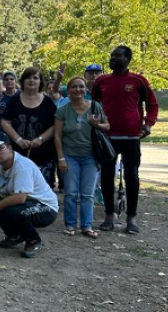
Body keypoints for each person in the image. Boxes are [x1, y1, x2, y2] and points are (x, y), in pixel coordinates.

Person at [92, 45, 159, 234]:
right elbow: (95, 104)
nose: (113, 58)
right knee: (106, 177)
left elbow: (152, 104)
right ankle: (109, 216)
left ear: (128, 59)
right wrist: (97, 123)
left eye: (118, 56)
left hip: (131, 137)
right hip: (107, 137)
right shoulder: (101, 81)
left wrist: (148, 124)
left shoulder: (138, 81)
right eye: (112, 55)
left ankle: (131, 218)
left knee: (132, 177)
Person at [0, 132, 58, 258]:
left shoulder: (21, 166)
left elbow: (20, 198)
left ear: (9, 148)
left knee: (12, 210)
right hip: (24, 204)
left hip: (45, 208)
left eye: (0, 148)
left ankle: (33, 240)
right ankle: (14, 235)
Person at [54, 76, 110, 239]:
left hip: (90, 156)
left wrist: (96, 124)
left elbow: (107, 126)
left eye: (81, 87)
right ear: (68, 90)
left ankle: (87, 226)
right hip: (70, 156)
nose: (77, 90)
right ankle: (70, 225)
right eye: (74, 87)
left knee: (87, 193)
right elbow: (57, 136)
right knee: (71, 192)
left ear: (86, 89)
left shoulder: (95, 107)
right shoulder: (63, 110)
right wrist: (61, 158)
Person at [0, 67, 57, 188]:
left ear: (40, 82)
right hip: (18, 153)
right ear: (23, 81)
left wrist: (40, 139)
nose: (32, 80)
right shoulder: (14, 101)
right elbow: (5, 123)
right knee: (20, 187)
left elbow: (55, 126)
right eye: (28, 77)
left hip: (44, 154)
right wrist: (19, 140)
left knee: (43, 187)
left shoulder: (48, 102)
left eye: (35, 78)